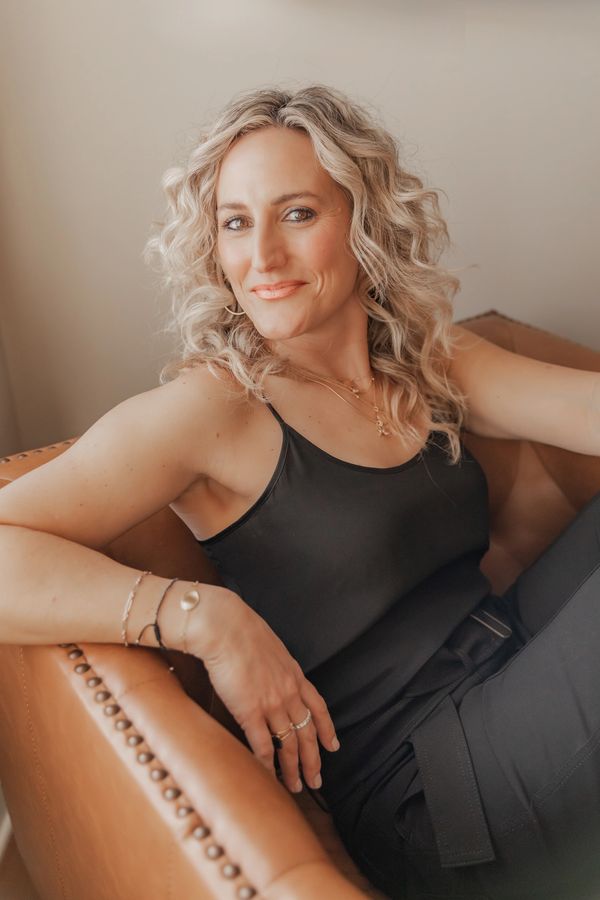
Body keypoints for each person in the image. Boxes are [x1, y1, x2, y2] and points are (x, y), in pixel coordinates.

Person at [1, 83, 599, 899]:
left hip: (508, 650)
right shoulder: (212, 410)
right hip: (431, 788)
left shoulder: (428, 361)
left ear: (364, 221)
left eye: (298, 214)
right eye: (236, 222)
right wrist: (205, 617)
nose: (263, 259)